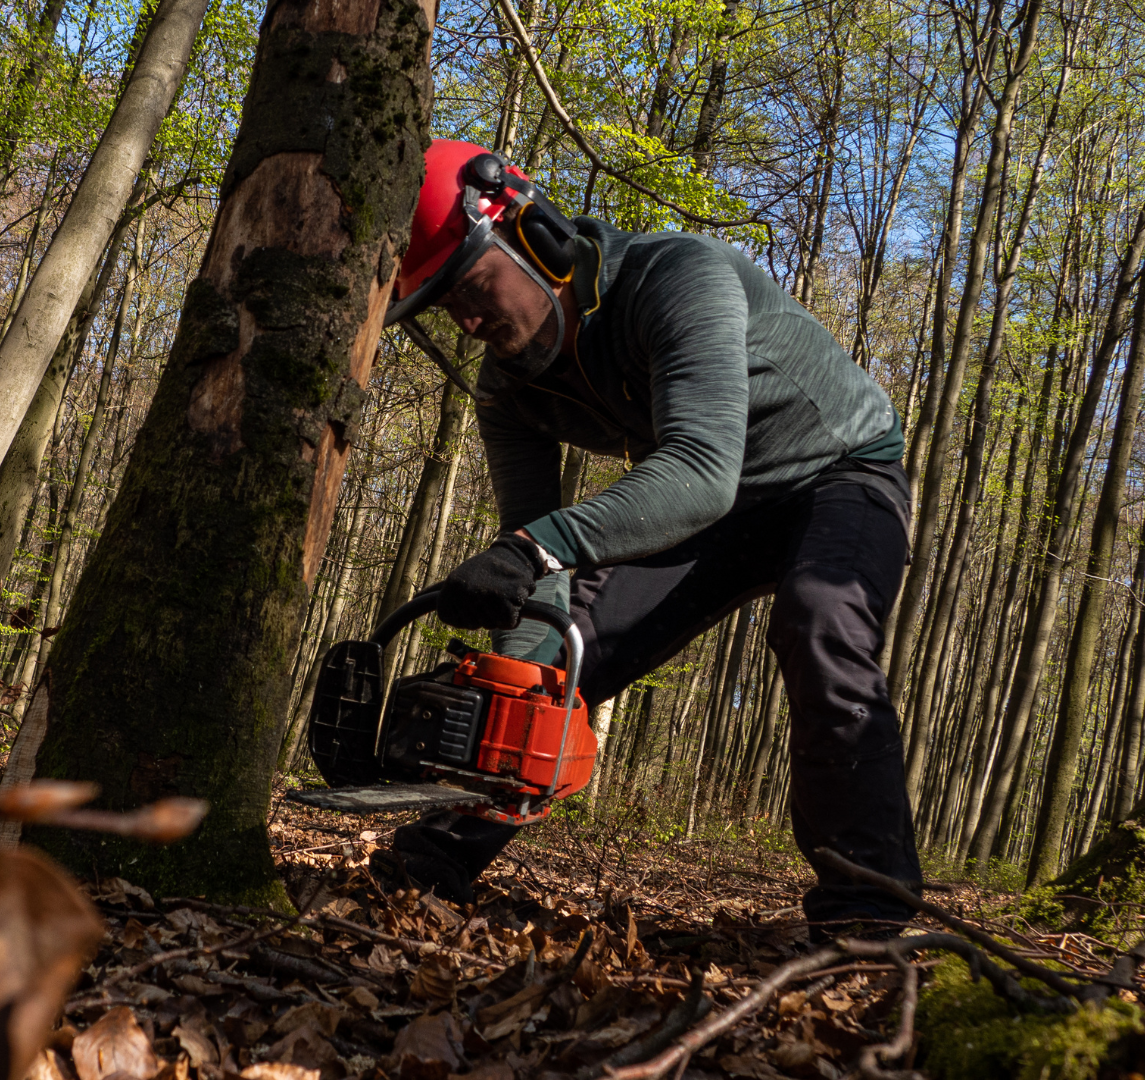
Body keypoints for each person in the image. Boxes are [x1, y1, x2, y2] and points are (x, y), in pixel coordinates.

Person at [374, 139, 924, 941]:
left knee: (821, 621)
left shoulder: (678, 278)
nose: (467, 320)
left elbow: (699, 470)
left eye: (471, 284)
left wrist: (534, 550)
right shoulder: (508, 389)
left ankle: (867, 914)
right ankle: (430, 863)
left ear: (534, 236)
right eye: (443, 307)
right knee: (559, 651)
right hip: (717, 511)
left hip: (838, 474)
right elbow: (540, 560)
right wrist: (521, 619)